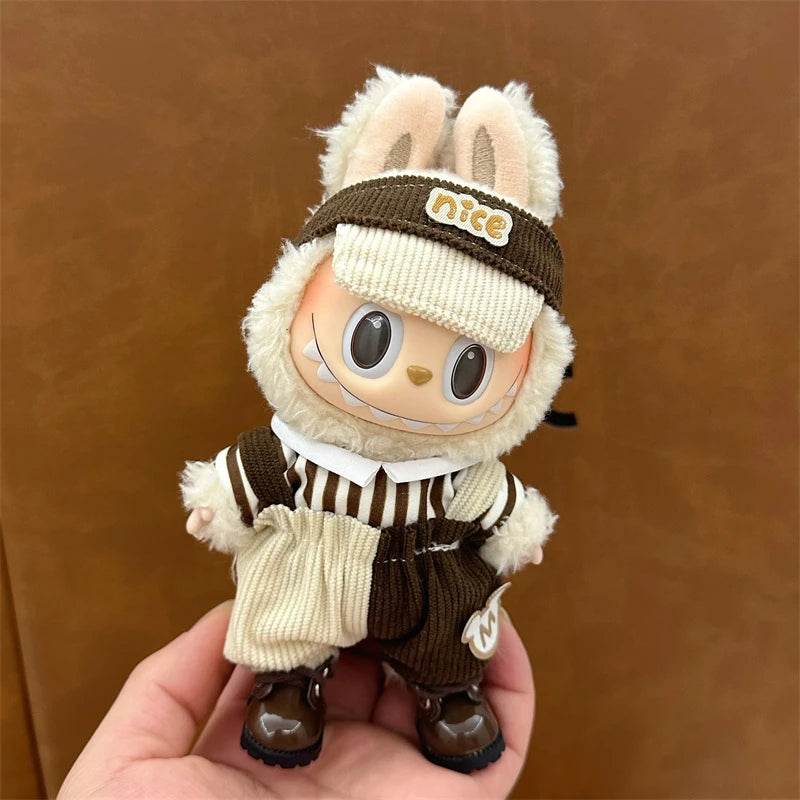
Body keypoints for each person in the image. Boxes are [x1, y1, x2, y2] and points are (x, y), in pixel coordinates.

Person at [58, 601, 535, 799]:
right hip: (318, 536)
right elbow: (251, 476)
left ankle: (447, 686)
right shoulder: (293, 453)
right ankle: (289, 679)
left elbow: (493, 500)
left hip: (428, 548)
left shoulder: (462, 466)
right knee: (289, 588)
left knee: (452, 602)